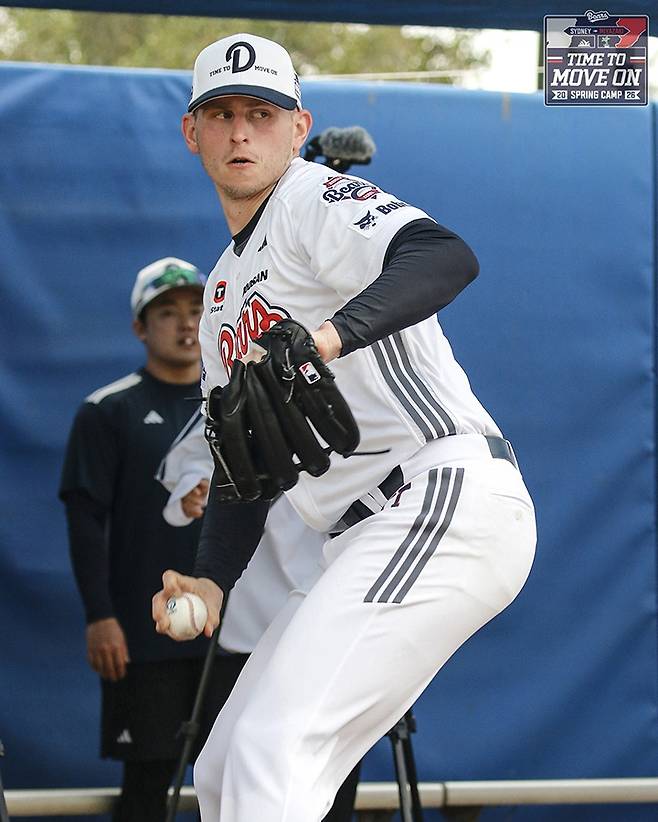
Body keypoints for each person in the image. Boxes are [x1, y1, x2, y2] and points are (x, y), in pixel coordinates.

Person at [152, 32, 537, 822]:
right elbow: (241, 466)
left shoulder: (311, 197)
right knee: (226, 763)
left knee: (274, 748)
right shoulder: (223, 291)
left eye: (262, 112)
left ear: (299, 128)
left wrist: (326, 338)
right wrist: (210, 581)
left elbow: (443, 255)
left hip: (443, 499)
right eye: (220, 114)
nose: (240, 132)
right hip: (359, 538)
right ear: (193, 133)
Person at [59, 257, 228, 822]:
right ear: (140, 326)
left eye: (197, 310)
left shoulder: (237, 405)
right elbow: (85, 522)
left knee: (234, 780)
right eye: (168, 312)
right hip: (143, 635)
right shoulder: (108, 411)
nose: (186, 324)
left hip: (232, 633)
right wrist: (100, 617)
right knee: (149, 785)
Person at [157, 417, 362, 821]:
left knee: (329, 774)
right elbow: (190, 463)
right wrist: (191, 490)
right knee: (231, 763)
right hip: (248, 624)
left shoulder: (357, 395)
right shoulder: (233, 393)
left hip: (331, 609)